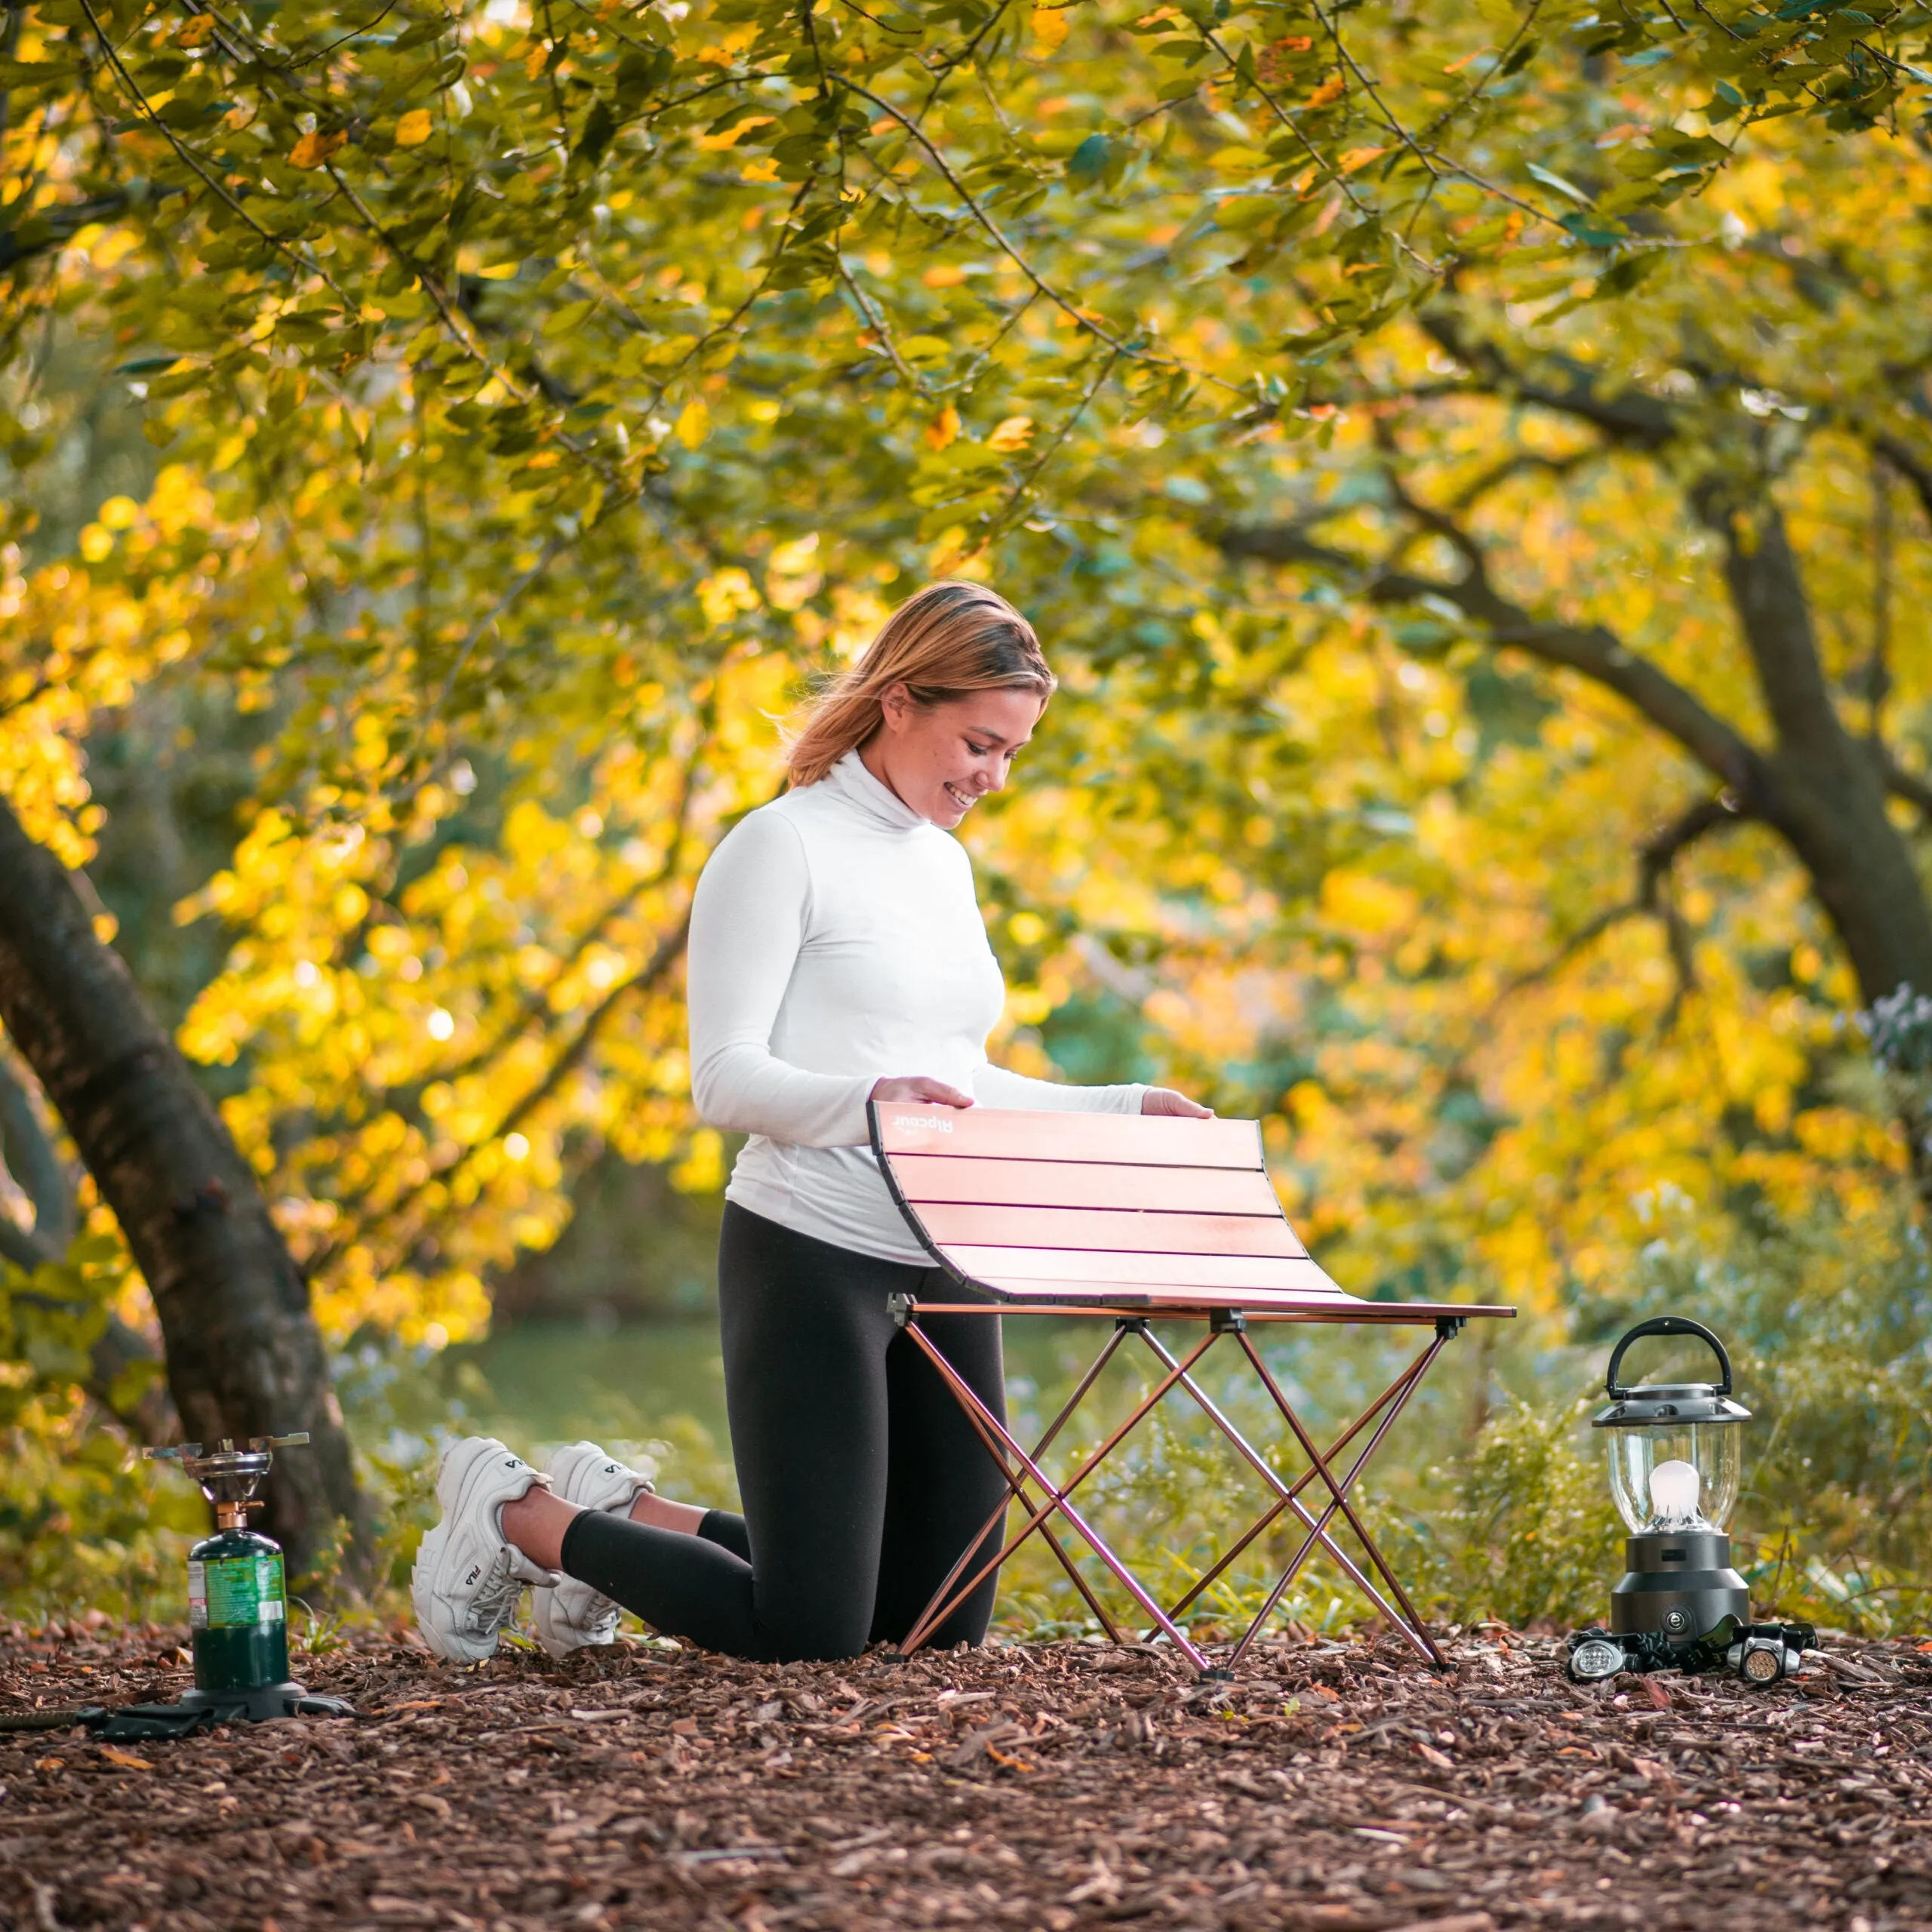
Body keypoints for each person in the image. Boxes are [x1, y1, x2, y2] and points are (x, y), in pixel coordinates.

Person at [411, 580, 1212, 1665]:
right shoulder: (777, 848)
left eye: (1013, 753)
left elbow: (957, 1081)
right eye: (979, 742)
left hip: (945, 1255)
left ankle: (630, 1511)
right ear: (898, 702)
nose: (993, 776)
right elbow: (724, 1080)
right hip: (810, 1254)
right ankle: (522, 1519)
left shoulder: (945, 866)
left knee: (936, 1627)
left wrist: (1124, 1111)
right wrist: (865, 1106)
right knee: (811, 1629)